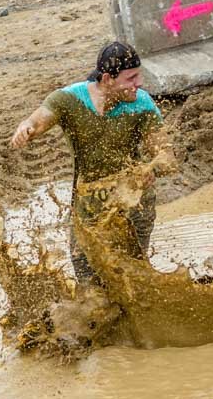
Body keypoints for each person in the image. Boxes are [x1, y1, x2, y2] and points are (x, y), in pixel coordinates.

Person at [10, 41, 176, 282]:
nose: (139, 84)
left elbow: (167, 157)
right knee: (88, 281)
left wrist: (150, 169)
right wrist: (26, 128)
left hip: (134, 200)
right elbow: (37, 121)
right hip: (88, 205)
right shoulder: (69, 100)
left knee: (136, 277)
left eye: (139, 76)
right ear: (108, 79)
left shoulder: (143, 104)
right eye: (131, 78)